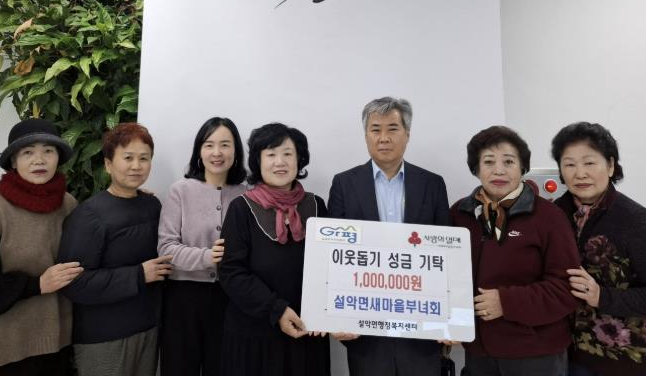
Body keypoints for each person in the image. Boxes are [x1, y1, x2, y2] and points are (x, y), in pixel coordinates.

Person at [327, 97, 450, 376]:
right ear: (366, 135)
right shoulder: (344, 184)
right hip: (364, 329)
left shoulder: (432, 184)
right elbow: (334, 256)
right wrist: (338, 317)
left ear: (407, 134)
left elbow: (446, 255)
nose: (383, 138)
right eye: (375, 129)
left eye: (392, 128)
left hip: (421, 326)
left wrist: (449, 318)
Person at [450, 125, 580, 376]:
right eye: (489, 162)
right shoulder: (459, 214)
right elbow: (446, 278)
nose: (499, 170)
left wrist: (506, 302)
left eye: (509, 161)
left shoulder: (549, 217)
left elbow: (567, 288)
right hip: (478, 355)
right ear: (476, 169)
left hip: (535, 355)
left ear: (522, 167)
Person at [0, 118, 82, 375]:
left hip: (58, 347)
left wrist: (132, 198)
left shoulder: (69, 205)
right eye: (28, 152)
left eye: (48, 151)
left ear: (58, 158)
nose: (39, 160)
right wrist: (37, 284)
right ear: (13, 162)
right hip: (7, 353)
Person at [57, 123, 173, 376]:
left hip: (149, 330)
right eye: (128, 158)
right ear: (108, 164)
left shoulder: (152, 205)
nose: (136, 166)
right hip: (104, 338)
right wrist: (138, 274)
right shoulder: (89, 215)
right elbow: (74, 283)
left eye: (144, 158)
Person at [218, 123, 330, 376]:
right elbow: (231, 271)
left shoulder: (316, 205)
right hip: (254, 335)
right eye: (271, 154)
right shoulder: (241, 208)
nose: (280, 162)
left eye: (287, 153)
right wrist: (276, 310)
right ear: (258, 161)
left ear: (299, 159)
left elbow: (331, 268)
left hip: (306, 332)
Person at [551, 122, 646, 376]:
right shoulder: (552, 215)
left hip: (626, 361)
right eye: (569, 164)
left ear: (610, 166)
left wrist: (602, 296)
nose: (580, 173)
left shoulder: (637, 220)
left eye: (589, 162)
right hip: (565, 355)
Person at [158, 117, 247, 376]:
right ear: (199, 150)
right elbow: (166, 248)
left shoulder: (247, 194)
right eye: (209, 145)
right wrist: (208, 256)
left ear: (236, 151)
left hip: (230, 298)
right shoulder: (180, 190)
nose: (217, 152)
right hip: (183, 298)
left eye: (225, 145)